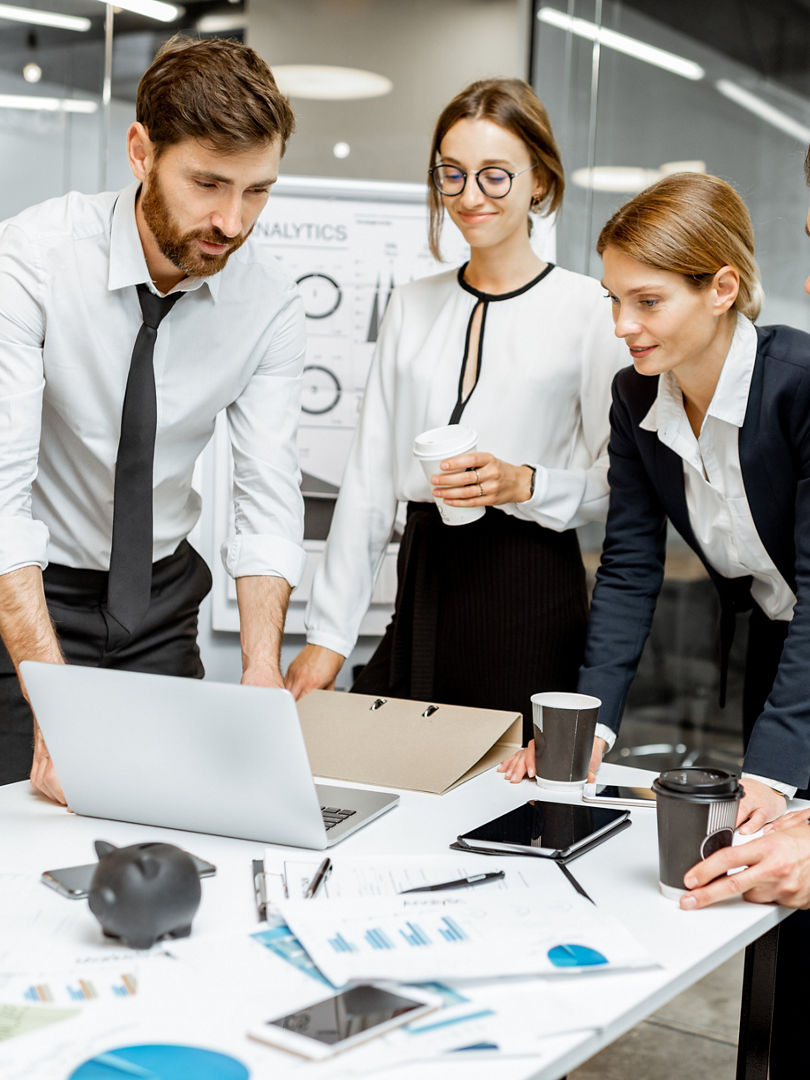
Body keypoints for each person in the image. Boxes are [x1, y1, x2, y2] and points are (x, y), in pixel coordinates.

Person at [0, 35, 306, 805]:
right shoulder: (32, 262)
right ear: (141, 151)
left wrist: (262, 669)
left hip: (161, 607)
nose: (233, 221)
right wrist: (53, 708)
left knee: (174, 823)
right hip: (31, 596)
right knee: (24, 824)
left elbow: (266, 496)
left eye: (257, 191)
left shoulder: (268, 304)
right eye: (208, 183)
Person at [284, 78, 625, 740]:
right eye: (453, 175)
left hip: (529, 585)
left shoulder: (590, 310)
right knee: (383, 769)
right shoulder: (412, 304)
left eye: (496, 176)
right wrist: (328, 635)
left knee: (507, 801)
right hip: (425, 578)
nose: (471, 197)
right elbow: (367, 484)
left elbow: (616, 488)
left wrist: (525, 483)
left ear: (538, 182)